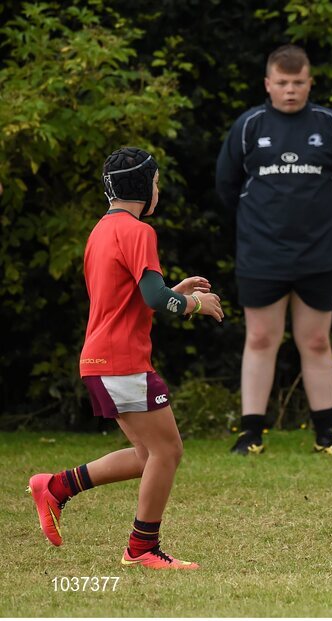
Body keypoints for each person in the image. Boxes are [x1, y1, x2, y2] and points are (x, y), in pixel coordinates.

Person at [28, 147, 224, 569]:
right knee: (167, 453)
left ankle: (56, 488)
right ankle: (141, 549)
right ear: (142, 186)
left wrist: (177, 292)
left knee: (147, 455)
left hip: (100, 359)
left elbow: (133, 298)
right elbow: (154, 297)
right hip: (123, 361)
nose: (157, 190)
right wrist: (195, 305)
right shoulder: (140, 232)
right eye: (155, 183)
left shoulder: (101, 230)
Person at [216, 44, 332, 456]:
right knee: (261, 338)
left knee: (316, 341)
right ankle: (251, 434)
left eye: (298, 82)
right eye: (282, 83)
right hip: (261, 254)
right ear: (268, 84)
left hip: (319, 254)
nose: (290, 90)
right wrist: (257, 227)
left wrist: (327, 226)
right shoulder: (248, 126)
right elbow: (226, 188)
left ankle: (327, 434)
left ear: (309, 82)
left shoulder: (331, 125)